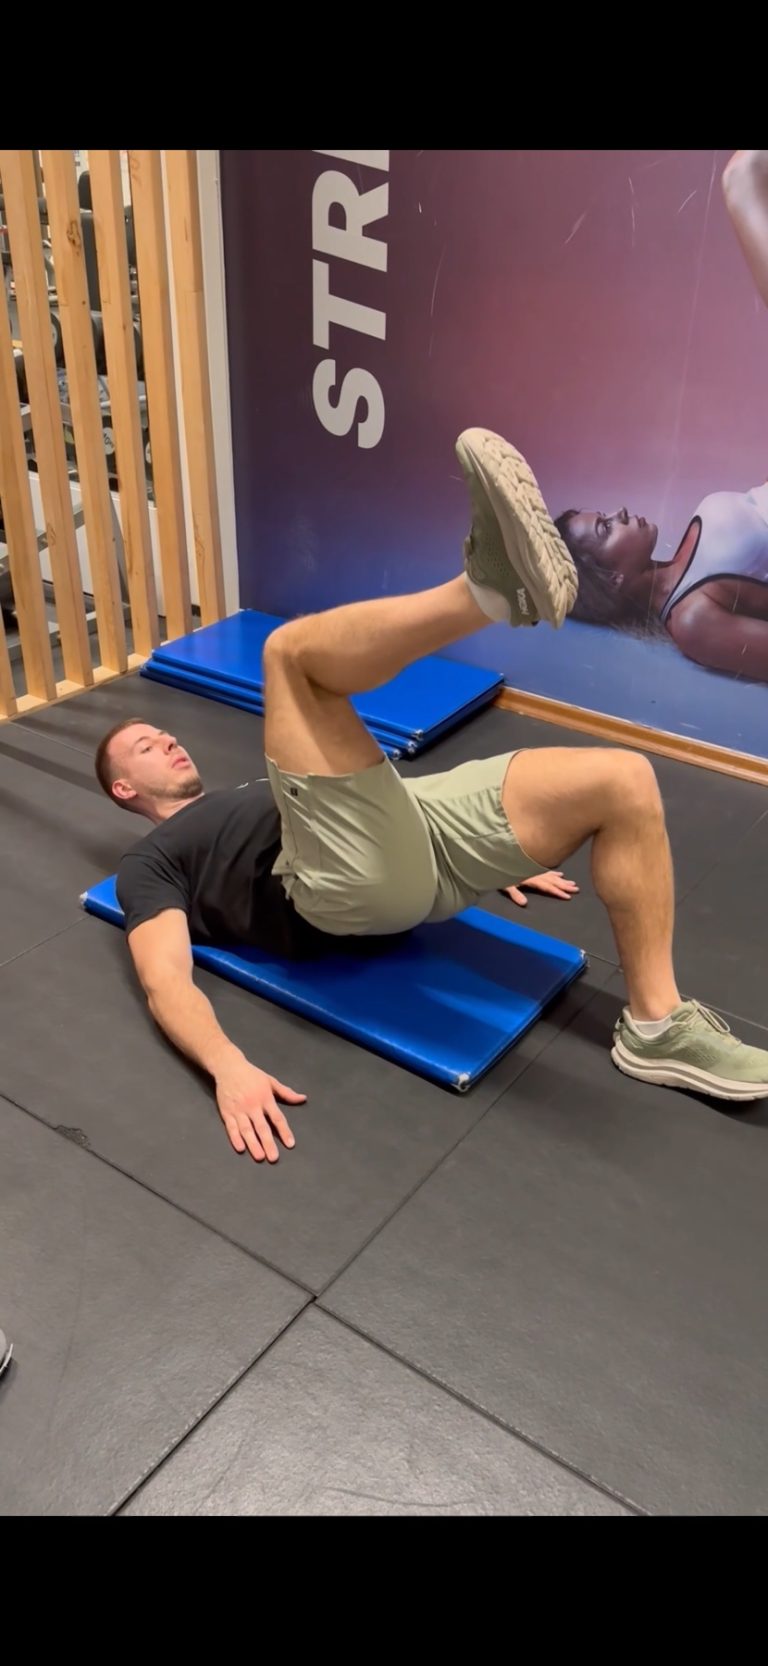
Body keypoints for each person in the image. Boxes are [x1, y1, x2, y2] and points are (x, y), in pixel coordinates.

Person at [95, 428, 768, 1164]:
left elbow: (365, 807)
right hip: (334, 895)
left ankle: (656, 1024)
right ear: (124, 789)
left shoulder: (255, 789)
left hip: (411, 843)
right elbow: (164, 978)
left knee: (621, 779)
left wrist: (499, 855)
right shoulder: (149, 862)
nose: (166, 739)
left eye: (161, 731)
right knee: (289, 658)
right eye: (143, 746)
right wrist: (226, 1067)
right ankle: (486, 591)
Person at [556, 150, 768, 681]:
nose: (621, 511)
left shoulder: (684, 565)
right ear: (611, 579)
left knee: (744, 178)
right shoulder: (692, 622)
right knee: (742, 179)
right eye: (605, 527)